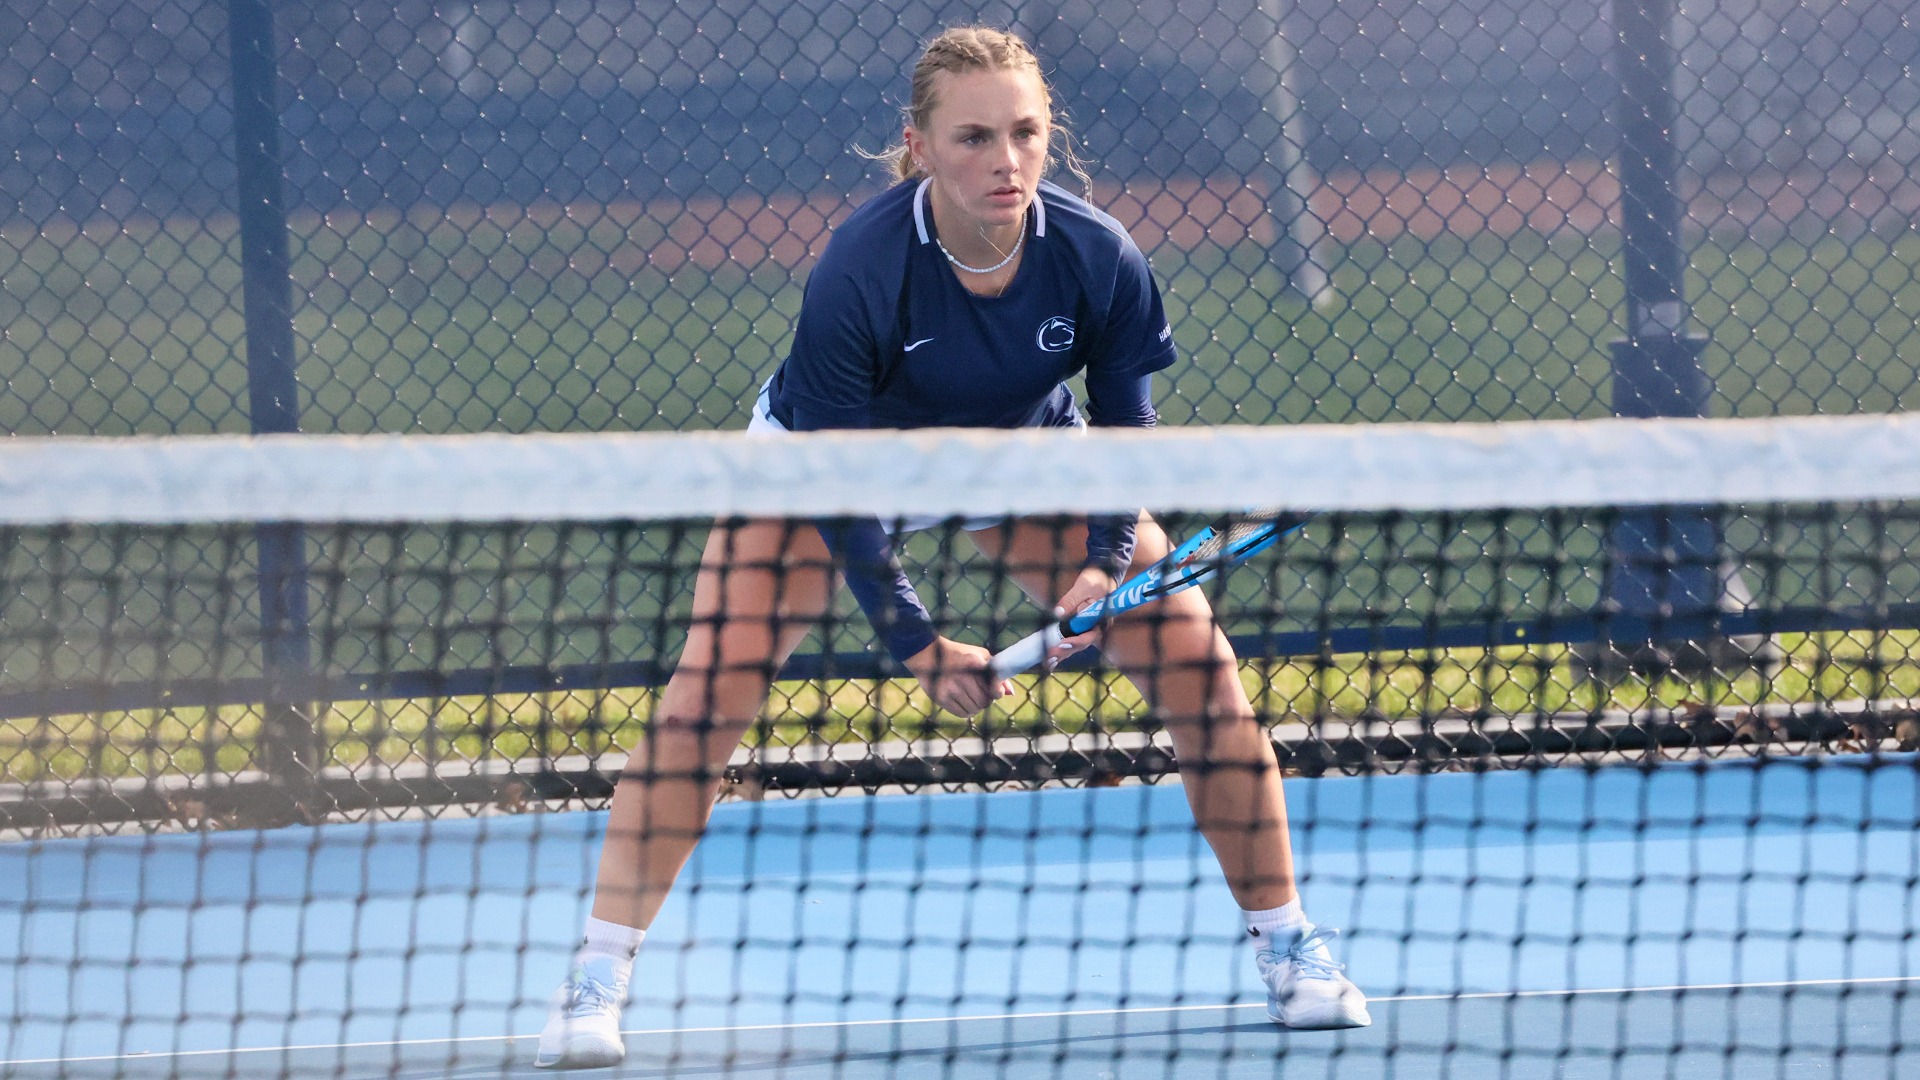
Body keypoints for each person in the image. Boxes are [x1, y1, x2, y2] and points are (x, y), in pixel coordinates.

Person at [534, 25, 1369, 1070]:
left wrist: (1104, 563)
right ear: (921, 147)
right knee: (710, 693)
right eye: (974, 137)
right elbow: (842, 493)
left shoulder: (1097, 254)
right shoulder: (862, 268)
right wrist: (920, 648)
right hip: (834, 465)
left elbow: (1126, 430)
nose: (1005, 160)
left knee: (1197, 658)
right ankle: (596, 976)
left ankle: (1290, 948)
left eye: (1025, 133)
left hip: (1016, 454)